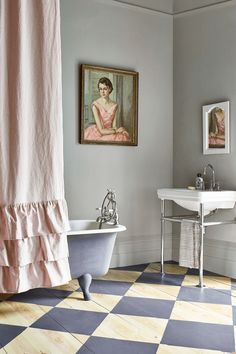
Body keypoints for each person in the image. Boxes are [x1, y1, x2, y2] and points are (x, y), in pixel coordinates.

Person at [84, 77, 130, 142]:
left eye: (105, 89)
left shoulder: (115, 105)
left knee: (122, 136)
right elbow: (101, 130)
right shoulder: (95, 105)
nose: (102, 92)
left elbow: (114, 126)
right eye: (100, 89)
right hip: (98, 132)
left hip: (109, 131)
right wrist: (115, 131)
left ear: (110, 89)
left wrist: (117, 130)